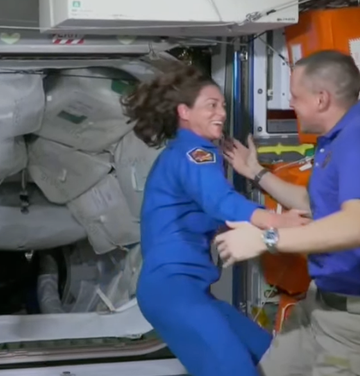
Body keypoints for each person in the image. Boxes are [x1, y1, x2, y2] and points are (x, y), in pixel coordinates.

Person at [216, 50, 360, 376]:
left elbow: (357, 226)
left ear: (321, 99)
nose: (292, 104)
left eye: (296, 96)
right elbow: (316, 203)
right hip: (320, 307)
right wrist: (256, 173)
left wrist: (266, 238)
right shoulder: (334, 141)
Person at [120, 63, 311, 376]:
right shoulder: (195, 153)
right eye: (211, 106)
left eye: (222, 105)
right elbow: (222, 202)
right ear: (184, 111)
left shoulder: (182, 154)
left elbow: (217, 214)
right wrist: (278, 222)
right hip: (173, 290)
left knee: (273, 358)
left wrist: (255, 182)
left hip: (188, 291)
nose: (221, 113)